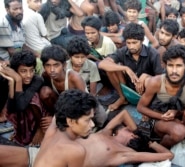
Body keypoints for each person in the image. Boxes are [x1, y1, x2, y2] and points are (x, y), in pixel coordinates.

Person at [0, 109, 174, 167]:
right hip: (43, 153)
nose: (126, 127)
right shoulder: (106, 132)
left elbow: (168, 156)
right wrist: (138, 130)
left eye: (129, 129)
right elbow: (123, 114)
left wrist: (149, 142)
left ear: (131, 136)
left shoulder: (124, 153)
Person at [137, 44, 185, 167]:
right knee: (179, 131)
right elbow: (141, 107)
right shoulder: (155, 82)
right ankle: (157, 149)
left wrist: (178, 113)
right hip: (158, 120)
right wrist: (162, 116)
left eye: (179, 66)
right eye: (170, 65)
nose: (174, 71)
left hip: (180, 118)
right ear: (164, 66)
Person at [98, 22, 163, 111]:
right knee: (111, 69)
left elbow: (160, 79)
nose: (131, 46)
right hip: (128, 87)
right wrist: (125, 68)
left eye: (134, 42)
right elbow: (102, 64)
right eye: (128, 43)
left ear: (142, 40)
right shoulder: (123, 51)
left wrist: (146, 76)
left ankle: (146, 105)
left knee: (149, 81)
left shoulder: (153, 53)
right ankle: (122, 98)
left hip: (145, 91)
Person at [41, 45, 107, 129]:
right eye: (48, 65)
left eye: (56, 65)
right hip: (65, 105)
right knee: (45, 92)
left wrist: (57, 119)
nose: (52, 70)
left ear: (64, 65)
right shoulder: (46, 75)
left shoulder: (74, 78)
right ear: (43, 66)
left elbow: (85, 102)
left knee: (100, 118)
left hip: (81, 104)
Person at [0, 50, 53, 146]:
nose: (29, 75)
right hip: (17, 116)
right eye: (23, 71)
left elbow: (21, 105)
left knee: (33, 98)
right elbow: (12, 108)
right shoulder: (10, 79)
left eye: (31, 70)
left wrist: (19, 80)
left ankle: (39, 130)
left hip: (37, 117)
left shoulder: (37, 80)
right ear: (14, 71)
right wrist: (12, 82)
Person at [33, 89, 97, 167]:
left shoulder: (52, 131)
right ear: (70, 122)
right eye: (88, 120)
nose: (92, 124)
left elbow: (58, 112)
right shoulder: (75, 150)